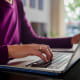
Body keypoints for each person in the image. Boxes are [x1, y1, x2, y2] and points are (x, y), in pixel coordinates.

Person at [0, 0, 80, 64]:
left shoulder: (18, 3)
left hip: (13, 67)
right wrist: (10, 51)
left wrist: (72, 40)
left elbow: (32, 40)